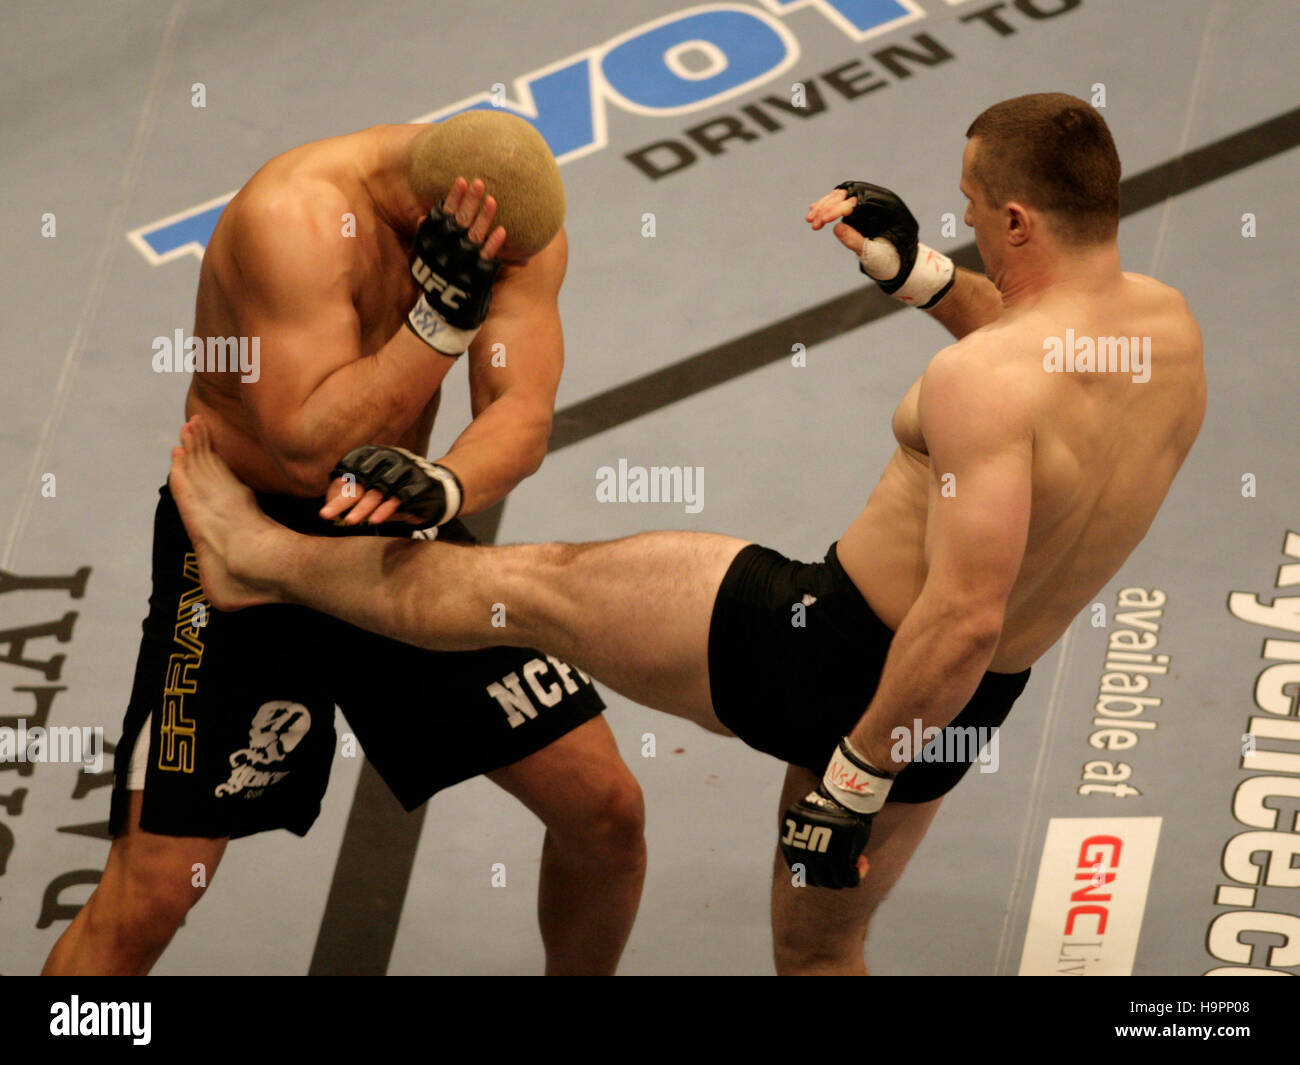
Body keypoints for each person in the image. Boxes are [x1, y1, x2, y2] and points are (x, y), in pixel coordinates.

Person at [164, 94, 1206, 975]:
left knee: (527, 589)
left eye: (975, 208)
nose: (966, 218)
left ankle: (258, 556)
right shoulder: (1162, 331)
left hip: (827, 655)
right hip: (954, 715)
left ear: (1018, 221)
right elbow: (1041, 360)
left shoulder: (980, 385)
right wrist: (923, 279)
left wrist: (849, 783)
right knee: (816, 953)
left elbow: (964, 613)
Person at [43, 111, 647, 977]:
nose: (514, 277)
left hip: (393, 519)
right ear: (451, 209)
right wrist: (437, 324)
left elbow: (520, 410)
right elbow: (305, 444)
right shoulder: (294, 218)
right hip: (240, 535)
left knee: (607, 812)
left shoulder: (513, 230)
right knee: (153, 894)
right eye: (495, 268)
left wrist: (446, 485)